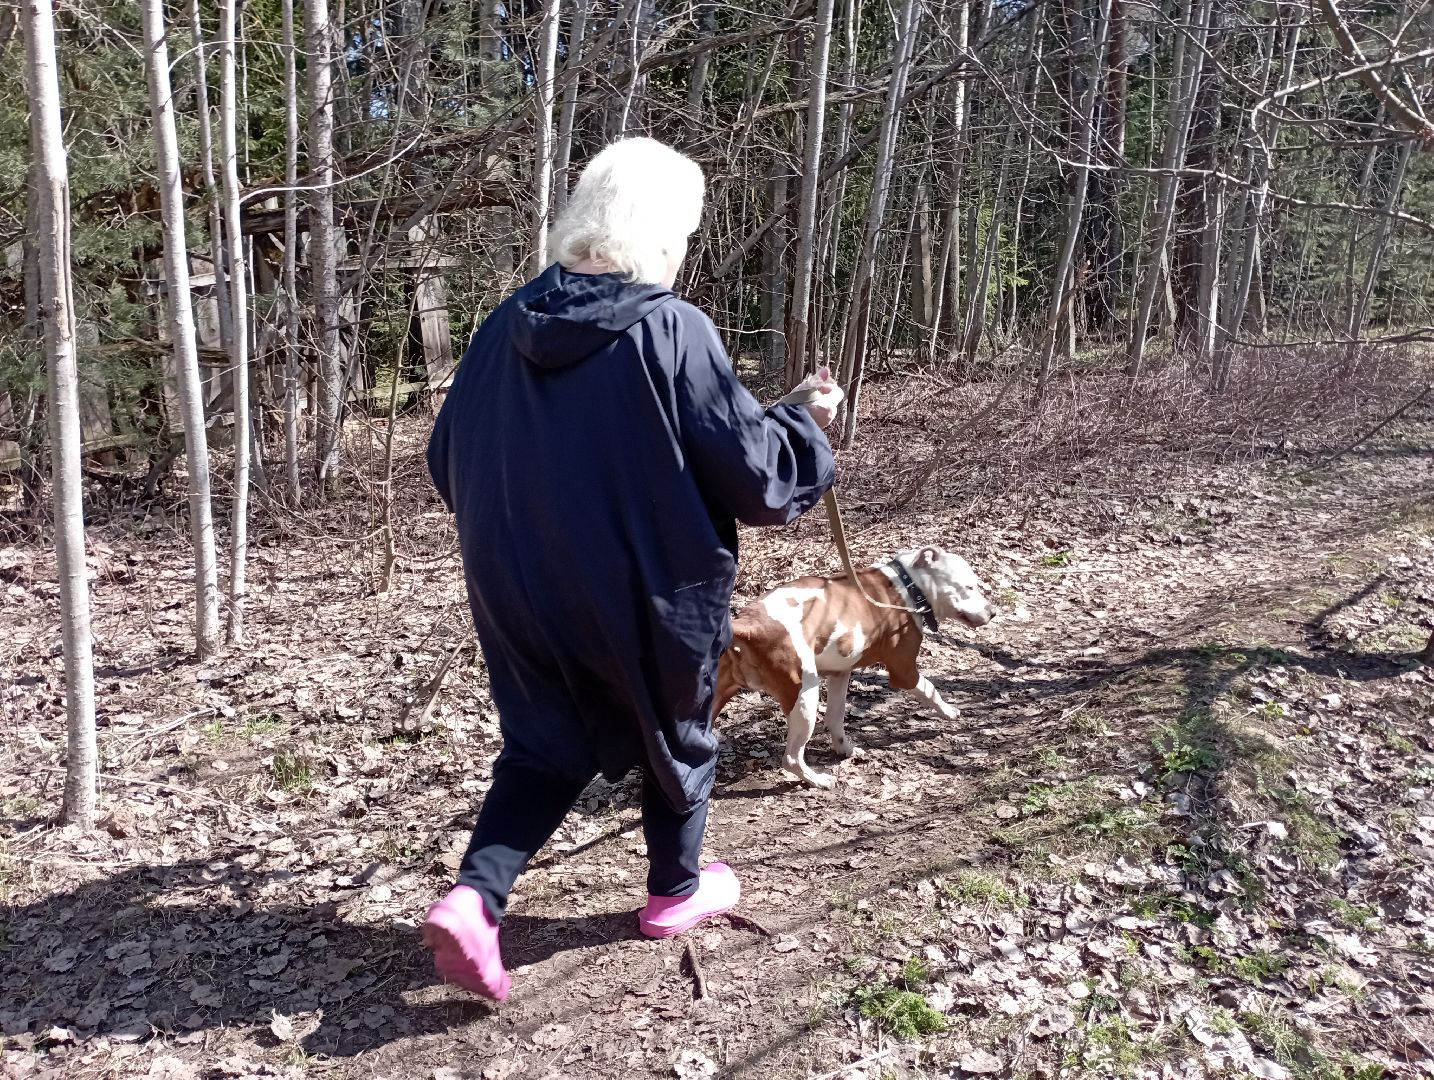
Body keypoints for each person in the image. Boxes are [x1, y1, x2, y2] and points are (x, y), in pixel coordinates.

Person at [422, 137, 843, 1001]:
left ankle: (475, 898)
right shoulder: (669, 328)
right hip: (647, 587)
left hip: (515, 584)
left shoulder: (501, 327)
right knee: (675, 729)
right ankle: (674, 893)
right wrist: (806, 422)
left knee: (544, 741)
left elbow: (444, 459)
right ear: (657, 234)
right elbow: (758, 477)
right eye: (683, 235)